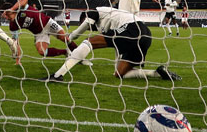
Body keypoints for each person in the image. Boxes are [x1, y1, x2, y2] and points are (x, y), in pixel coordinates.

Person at [40, 6, 181, 83]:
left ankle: (58, 75)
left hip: (132, 28)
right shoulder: (111, 17)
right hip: (145, 35)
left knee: (88, 42)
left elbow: (78, 32)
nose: (90, 28)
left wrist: (68, 37)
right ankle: (157, 73)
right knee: (120, 74)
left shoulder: (94, 12)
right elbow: (117, 44)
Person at [1, 0, 80, 65]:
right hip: (39, 33)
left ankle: (80, 56)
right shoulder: (13, 26)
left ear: (12, 11)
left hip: (48, 23)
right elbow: (16, 43)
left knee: (66, 39)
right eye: (5, 17)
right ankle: (65, 52)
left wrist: (11, 9)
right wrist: (18, 60)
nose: (7, 18)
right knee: (42, 52)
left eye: (8, 15)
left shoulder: (22, 8)